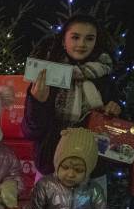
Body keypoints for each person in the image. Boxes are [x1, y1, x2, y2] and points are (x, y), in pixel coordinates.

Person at [21, 14, 122, 177]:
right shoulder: (47, 75)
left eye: (89, 39)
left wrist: (115, 111)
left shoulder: (104, 80)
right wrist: (38, 103)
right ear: (63, 40)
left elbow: (115, 133)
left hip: (91, 171)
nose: (82, 44)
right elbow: (31, 131)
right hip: (53, 168)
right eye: (75, 37)